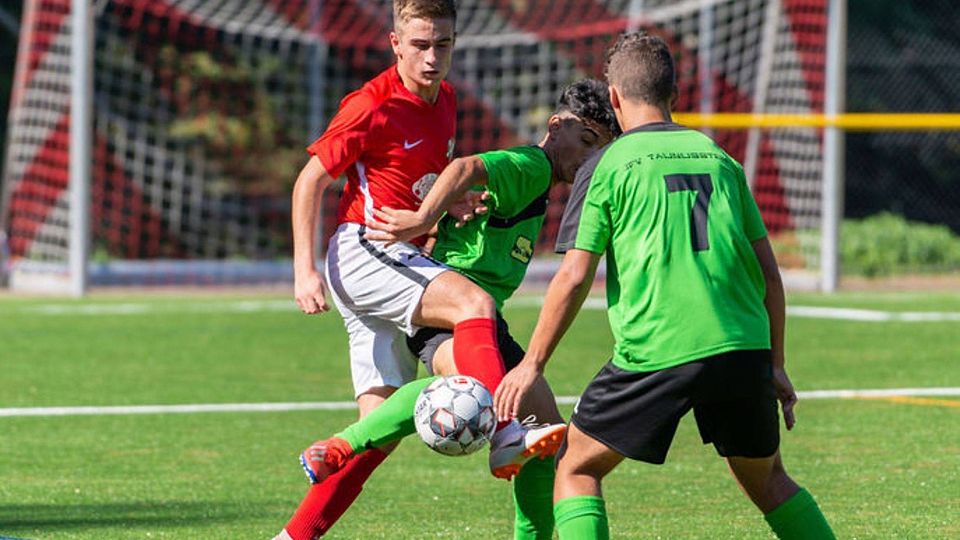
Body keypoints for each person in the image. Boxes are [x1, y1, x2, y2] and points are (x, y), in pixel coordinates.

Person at [492, 32, 836, 540]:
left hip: (658, 350)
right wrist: (775, 363)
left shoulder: (607, 164)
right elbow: (769, 275)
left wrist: (531, 365)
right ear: (674, 96)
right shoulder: (719, 159)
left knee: (575, 469)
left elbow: (573, 276)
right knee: (768, 482)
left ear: (613, 97)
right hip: (742, 346)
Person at [279, 2, 561, 538]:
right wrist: (303, 270)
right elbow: (310, 181)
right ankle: (505, 430)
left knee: (372, 437)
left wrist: (445, 205)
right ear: (395, 42)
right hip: (366, 249)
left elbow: (415, 181)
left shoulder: (446, 100)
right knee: (473, 303)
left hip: (391, 255)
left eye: (444, 45)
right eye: (421, 45)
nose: (433, 58)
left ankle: (292, 536)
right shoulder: (370, 104)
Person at [296, 78, 620, 539]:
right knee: (462, 391)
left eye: (599, 150)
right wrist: (427, 214)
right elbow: (466, 166)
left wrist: (447, 206)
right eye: (585, 142)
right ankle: (344, 444)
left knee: (548, 435)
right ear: (556, 126)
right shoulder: (530, 163)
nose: (589, 158)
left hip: (481, 320)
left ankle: (297, 528)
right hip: (446, 309)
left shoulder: (539, 180)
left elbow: (457, 178)